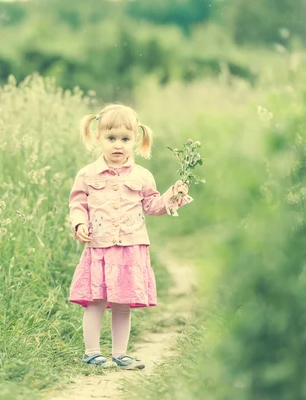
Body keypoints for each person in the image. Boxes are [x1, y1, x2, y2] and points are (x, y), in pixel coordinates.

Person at [67, 104, 192, 370]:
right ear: (98, 137)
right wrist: (79, 223)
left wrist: (173, 195)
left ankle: (120, 353)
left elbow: (153, 206)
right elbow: (78, 204)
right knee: (96, 300)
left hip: (130, 247)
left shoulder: (142, 176)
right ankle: (91, 352)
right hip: (100, 247)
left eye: (125, 139)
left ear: (136, 140)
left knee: (122, 303)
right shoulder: (88, 174)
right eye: (111, 138)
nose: (118, 145)